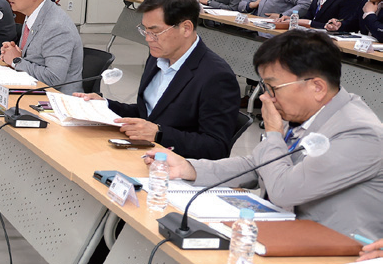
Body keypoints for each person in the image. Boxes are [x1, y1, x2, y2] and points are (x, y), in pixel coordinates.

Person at [145, 30, 383, 241]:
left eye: (273, 88)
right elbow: (260, 165)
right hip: (290, 236)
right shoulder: (309, 112)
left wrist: (273, 134)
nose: (265, 98)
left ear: (317, 87)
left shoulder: (359, 133)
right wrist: (190, 168)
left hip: (336, 256)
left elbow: (284, 190)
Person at [75, 0, 240, 160]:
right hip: (144, 154)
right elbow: (148, 113)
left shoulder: (216, 76)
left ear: (186, 28)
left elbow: (216, 147)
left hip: (176, 165)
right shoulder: (158, 57)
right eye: (145, 30)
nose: (148, 39)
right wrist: (105, 106)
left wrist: (159, 134)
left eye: (156, 32)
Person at [0, 0, 83, 91]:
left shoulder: (57, 26)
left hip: (56, 97)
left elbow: (53, 78)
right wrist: (15, 54)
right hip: (33, 88)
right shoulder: (33, 14)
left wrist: (16, 61)